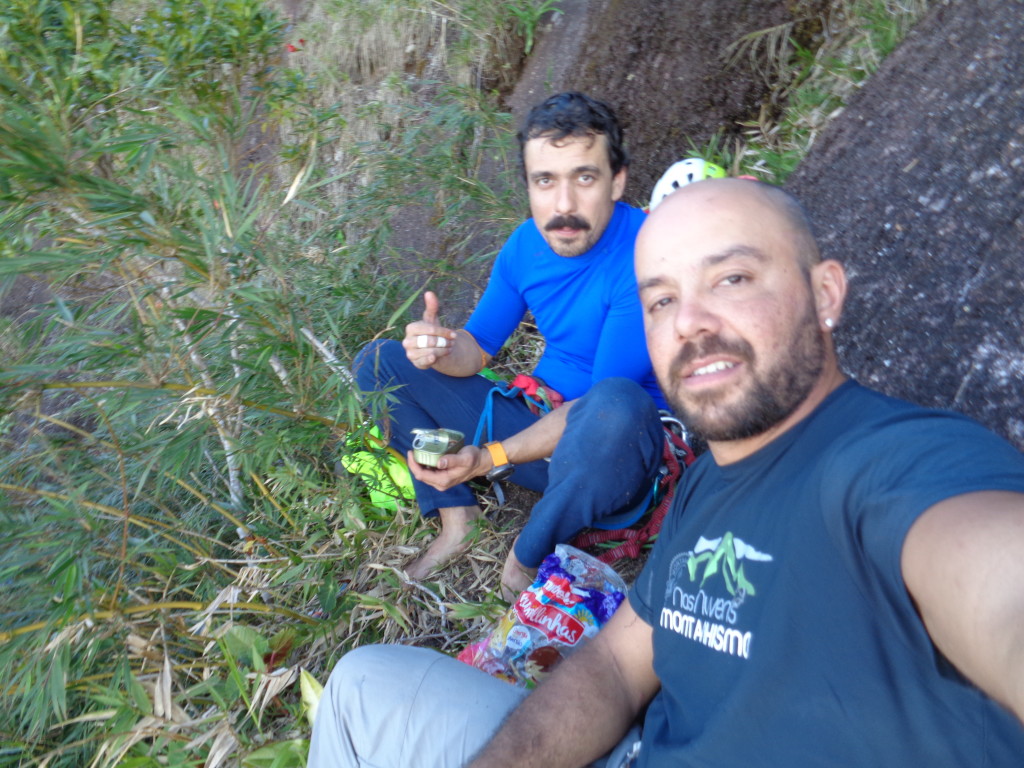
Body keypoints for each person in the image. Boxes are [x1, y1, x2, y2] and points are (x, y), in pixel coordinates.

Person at [311, 178, 1024, 767]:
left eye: (733, 277)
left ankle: (523, 544)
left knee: (613, 407)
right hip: (632, 743)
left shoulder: (901, 466)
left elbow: (994, 583)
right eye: (662, 299)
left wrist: (502, 455)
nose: (690, 322)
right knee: (361, 683)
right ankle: (461, 510)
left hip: (598, 441)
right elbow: (619, 667)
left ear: (826, 293)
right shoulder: (711, 489)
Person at [353, 92, 667, 596]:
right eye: (546, 181)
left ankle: (526, 556)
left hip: (616, 457)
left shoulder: (649, 252)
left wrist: (490, 456)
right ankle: (458, 519)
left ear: (618, 180)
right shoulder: (524, 246)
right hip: (537, 428)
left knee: (614, 406)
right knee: (377, 362)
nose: (563, 205)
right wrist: (438, 347)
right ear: (528, 186)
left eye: (584, 177)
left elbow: (601, 403)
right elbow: (477, 350)